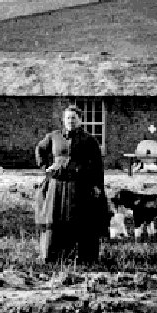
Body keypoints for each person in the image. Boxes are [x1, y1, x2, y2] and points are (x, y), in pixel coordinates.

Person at [34, 105, 108, 263]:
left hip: (80, 186)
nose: (71, 121)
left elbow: (97, 165)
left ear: (80, 120)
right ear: (63, 120)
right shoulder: (54, 136)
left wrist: (97, 186)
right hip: (57, 185)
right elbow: (40, 149)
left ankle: (82, 258)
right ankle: (53, 256)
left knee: (80, 220)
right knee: (55, 218)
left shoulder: (89, 140)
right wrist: (46, 167)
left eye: (74, 118)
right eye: (68, 118)